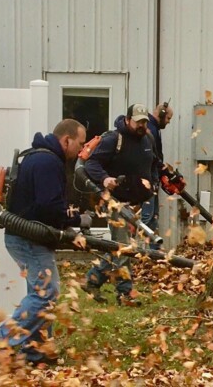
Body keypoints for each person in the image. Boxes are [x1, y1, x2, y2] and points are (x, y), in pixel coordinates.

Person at [0, 119, 88, 367]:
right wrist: (77, 219)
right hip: (28, 239)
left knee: (38, 293)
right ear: (66, 140)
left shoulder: (38, 156)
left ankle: (35, 352)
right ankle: (0, 342)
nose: (81, 150)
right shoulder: (48, 162)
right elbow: (49, 207)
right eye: (80, 143)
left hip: (25, 237)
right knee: (46, 294)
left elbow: (43, 205)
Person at [82, 104, 160, 306]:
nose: (142, 125)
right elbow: (91, 164)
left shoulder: (148, 139)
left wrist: (154, 183)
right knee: (124, 246)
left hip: (136, 202)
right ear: (127, 119)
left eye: (144, 121)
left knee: (121, 247)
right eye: (138, 121)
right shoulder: (113, 139)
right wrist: (105, 178)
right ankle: (125, 294)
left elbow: (154, 164)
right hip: (114, 201)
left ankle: (92, 280)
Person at [140, 102, 174, 251]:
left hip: (153, 176)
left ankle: (154, 251)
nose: (169, 122)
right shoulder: (150, 129)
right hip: (147, 177)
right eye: (168, 118)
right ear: (161, 114)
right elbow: (150, 155)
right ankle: (140, 250)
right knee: (147, 216)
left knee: (154, 215)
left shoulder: (155, 129)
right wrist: (161, 167)